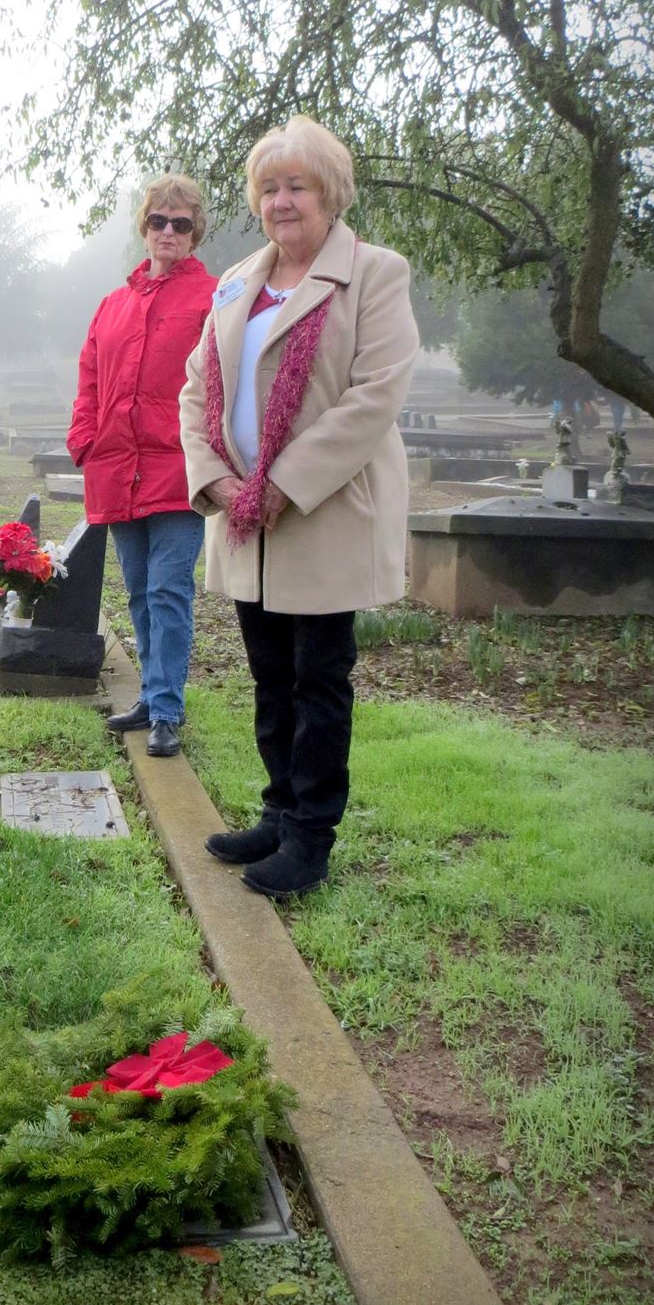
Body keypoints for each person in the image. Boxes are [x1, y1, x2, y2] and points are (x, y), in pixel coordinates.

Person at [179, 116, 419, 898]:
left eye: (298, 186)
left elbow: (375, 396)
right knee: (269, 675)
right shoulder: (237, 281)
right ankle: (278, 811)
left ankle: (311, 837)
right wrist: (215, 475)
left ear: (331, 193)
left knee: (319, 680)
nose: (282, 201)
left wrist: (283, 481)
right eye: (269, 187)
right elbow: (196, 387)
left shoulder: (375, 274)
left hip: (322, 514)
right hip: (249, 519)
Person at [67, 176, 216, 757]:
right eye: (159, 221)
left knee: (168, 589)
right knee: (136, 590)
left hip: (179, 469)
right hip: (116, 468)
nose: (169, 232)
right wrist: (85, 437)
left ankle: (168, 711)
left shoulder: (213, 298)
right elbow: (91, 378)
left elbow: (224, 382)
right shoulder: (113, 304)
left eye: (181, 223)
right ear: (144, 228)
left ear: (194, 230)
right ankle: (153, 699)